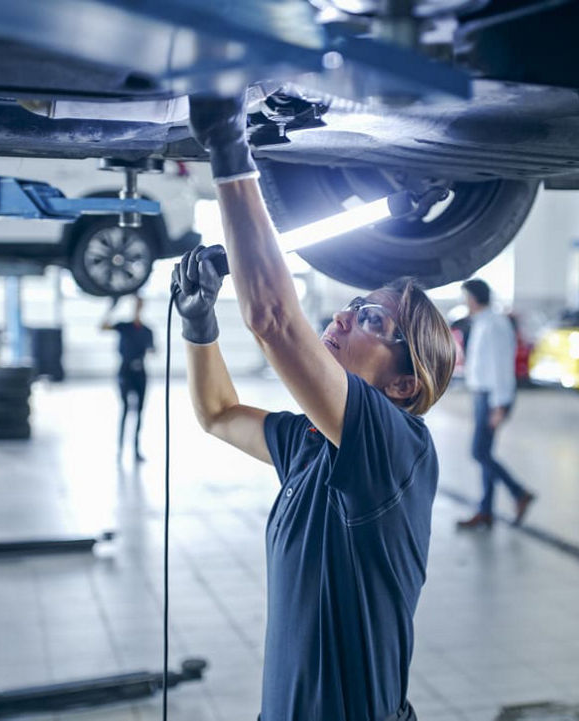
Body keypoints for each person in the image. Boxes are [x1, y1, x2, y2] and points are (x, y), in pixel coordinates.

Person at [176, 93, 456, 721]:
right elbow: (218, 413)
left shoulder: (398, 451)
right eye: (354, 304)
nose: (343, 316)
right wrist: (200, 329)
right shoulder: (309, 443)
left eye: (372, 319)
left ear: (404, 385)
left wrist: (229, 149)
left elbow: (275, 319)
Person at [456, 279, 535, 530]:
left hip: (493, 398)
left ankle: (519, 492)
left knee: (478, 452)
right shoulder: (482, 323)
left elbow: (502, 368)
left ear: (474, 298)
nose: (464, 302)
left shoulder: (495, 324)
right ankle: (486, 511)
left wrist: (499, 406)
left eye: (466, 297)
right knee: (485, 453)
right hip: (483, 395)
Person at [101, 294, 154, 462]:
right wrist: (111, 308)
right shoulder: (124, 326)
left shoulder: (147, 331)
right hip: (125, 371)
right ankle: (120, 449)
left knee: (139, 411)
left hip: (141, 372)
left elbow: (153, 349)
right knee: (125, 409)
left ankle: (136, 450)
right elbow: (103, 327)